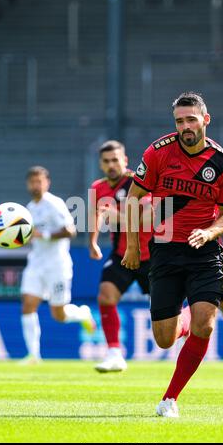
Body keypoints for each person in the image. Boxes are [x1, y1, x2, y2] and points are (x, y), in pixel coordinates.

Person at [122, 91, 223, 418]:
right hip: (164, 251)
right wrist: (133, 245)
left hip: (205, 251)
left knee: (206, 325)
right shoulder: (158, 152)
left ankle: (169, 399)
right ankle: (185, 317)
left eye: (191, 119)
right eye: (179, 121)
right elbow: (133, 198)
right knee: (164, 339)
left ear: (205, 119)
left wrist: (210, 232)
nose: (185, 126)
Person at [89, 140, 162, 372]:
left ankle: (183, 337)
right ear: (101, 164)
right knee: (106, 296)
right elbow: (97, 215)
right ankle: (114, 354)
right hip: (122, 254)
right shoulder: (98, 188)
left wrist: (117, 216)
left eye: (115, 160)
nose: (112, 165)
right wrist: (92, 242)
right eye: (106, 161)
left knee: (166, 314)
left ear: (125, 161)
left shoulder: (137, 182)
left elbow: (152, 215)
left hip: (151, 254)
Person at [20, 166, 95, 364]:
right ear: (28, 184)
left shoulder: (54, 204)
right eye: (33, 182)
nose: (36, 185)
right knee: (28, 304)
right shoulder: (29, 208)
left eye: (40, 181)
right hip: (36, 263)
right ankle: (34, 356)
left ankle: (83, 314)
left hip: (57, 264)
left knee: (58, 314)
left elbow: (71, 231)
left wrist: (43, 235)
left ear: (47, 182)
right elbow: (28, 235)